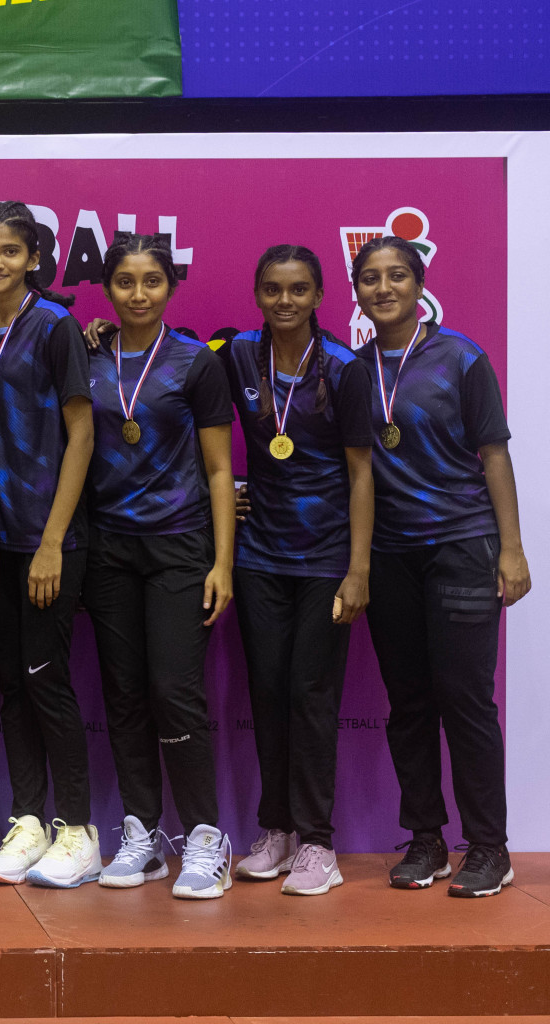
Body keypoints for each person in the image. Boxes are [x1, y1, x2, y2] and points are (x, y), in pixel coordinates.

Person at [351, 236, 529, 898]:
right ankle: (426, 839)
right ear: (358, 290)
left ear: (418, 284)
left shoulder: (461, 358)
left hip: (463, 545)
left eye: (397, 275)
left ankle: (489, 847)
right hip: (392, 555)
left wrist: (511, 548)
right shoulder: (354, 367)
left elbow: (494, 455)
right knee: (410, 704)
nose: (383, 287)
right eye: (370, 278)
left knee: (465, 702)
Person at [83, 233, 236, 900]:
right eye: (124, 281)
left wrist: (222, 562)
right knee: (123, 694)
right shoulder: (87, 355)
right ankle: (142, 833)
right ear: (107, 289)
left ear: (170, 286)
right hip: (109, 549)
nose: (137, 294)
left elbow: (221, 468)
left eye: (150, 281)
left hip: (180, 545)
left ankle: (205, 836)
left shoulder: (195, 364)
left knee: (175, 690)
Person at [0, 202, 98, 888]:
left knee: (46, 680)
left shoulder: (56, 326)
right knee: (10, 684)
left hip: (48, 537)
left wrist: (53, 541)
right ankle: (28, 822)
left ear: (34, 258)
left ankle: (78, 829)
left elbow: (83, 434)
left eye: (10, 251)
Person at [219, 245, 373, 897]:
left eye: (300, 289)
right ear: (257, 293)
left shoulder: (343, 368)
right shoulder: (234, 357)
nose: (286, 301)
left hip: (326, 559)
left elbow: (364, 472)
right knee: (269, 692)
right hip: (259, 556)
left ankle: (318, 843)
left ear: (318, 296)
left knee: (312, 696)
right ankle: (276, 830)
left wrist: (359, 569)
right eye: (274, 289)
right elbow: (168, 373)